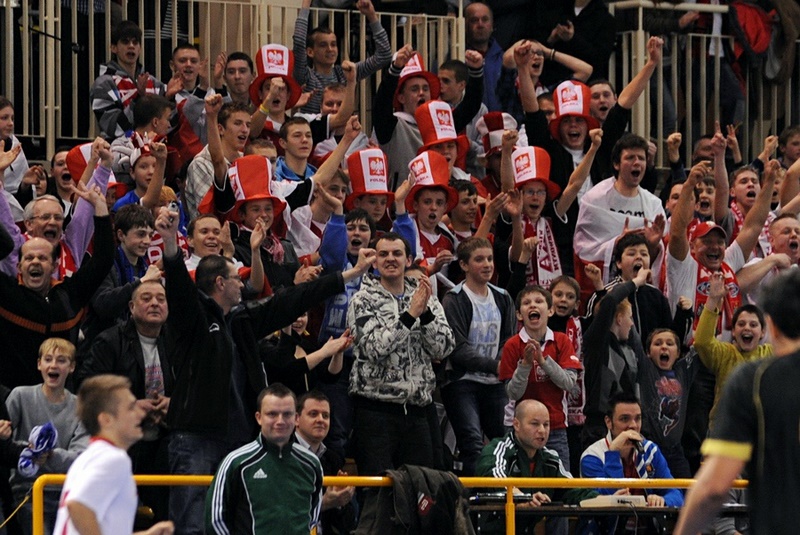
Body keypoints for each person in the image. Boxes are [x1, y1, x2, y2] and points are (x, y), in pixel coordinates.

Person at [156, 204, 373, 535]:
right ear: (218, 283)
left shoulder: (241, 321)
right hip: (195, 436)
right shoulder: (192, 321)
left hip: (239, 437)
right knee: (192, 523)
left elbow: (291, 301)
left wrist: (346, 276)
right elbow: (179, 289)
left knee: (241, 520)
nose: (243, 286)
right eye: (236, 279)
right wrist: (170, 243)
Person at [674, 268, 800, 535]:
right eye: (741, 324)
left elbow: (714, 486)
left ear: (770, 326)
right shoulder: (730, 358)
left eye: (754, 324)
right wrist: (713, 303)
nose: (747, 329)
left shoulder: (753, 380)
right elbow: (704, 341)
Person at [348, 232, 455, 474]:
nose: (390, 259)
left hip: (417, 410)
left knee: (420, 494)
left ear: (409, 260)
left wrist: (424, 313)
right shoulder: (362, 300)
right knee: (377, 494)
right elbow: (373, 349)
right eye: (383, 254)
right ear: (374, 262)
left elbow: (444, 348)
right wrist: (409, 316)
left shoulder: (425, 297)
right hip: (375, 409)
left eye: (397, 253)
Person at [0, 181, 113, 389]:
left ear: (53, 265)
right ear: (19, 266)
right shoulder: (6, 295)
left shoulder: (69, 295)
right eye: (29, 258)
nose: (35, 262)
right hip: (12, 402)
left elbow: (103, 260)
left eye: (42, 258)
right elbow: (4, 242)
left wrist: (100, 208)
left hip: (63, 396)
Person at [78, 279, 174, 521]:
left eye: (161, 299)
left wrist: (174, 402)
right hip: (121, 444)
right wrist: (130, 407)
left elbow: (193, 385)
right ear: (131, 307)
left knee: (163, 516)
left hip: (165, 441)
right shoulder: (109, 341)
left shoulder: (176, 342)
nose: (154, 303)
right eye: (146, 298)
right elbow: (87, 388)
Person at [52, 375, 174, 535]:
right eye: (131, 407)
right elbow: (77, 506)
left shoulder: (89, 457)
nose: (140, 413)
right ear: (106, 420)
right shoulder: (113, 459)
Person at [205, 384, 323, 535]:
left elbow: (311, 517)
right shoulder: (236, 462)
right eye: (272, 414)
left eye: (287, 414)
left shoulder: (312, 463)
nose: (280, 421)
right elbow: (215, 520)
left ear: (296, 418)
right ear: (259, 418)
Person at [441, 237, 515, 475]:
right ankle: (474, 503)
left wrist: (501, 365)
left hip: (494, 383)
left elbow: (508, 340)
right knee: (472, 443)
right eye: (479, 259)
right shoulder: (454, 298)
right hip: (462, 382)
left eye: (490, 259)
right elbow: (458, 348)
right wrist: (497, 366)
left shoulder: (503, 297)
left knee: (504, 442)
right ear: (463, 265)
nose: (487, 264)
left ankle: (503, 497)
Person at [476, 399, 597, 534]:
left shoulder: (550, 458)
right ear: (516, 424)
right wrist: (523, 498)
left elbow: (572, 489)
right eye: (534, 424)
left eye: (546, 424)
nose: (542, 430)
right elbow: (494, 478)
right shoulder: (498, 449)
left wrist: (606, 499)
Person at [7, 338, 89, 535]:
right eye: (48, 359)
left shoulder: (81, 407)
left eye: (61, 360)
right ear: (39, 364)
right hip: (28, 490)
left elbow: (81, 456)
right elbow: (6, 444)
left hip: (68, 492)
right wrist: (30, 452)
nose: (53, 365)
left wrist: (48, 455)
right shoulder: (20, 396)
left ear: (72, 367)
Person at [580, 392, 683, 507]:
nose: (633, 425)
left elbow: (676, 494)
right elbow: (608, 501)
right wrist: (613, 453)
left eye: (638, 419)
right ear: (608, 422)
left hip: (645, 523)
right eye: (625, 419)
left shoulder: (650, 450)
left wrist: (663, 500)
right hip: (609, 524)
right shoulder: (592, 457)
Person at [292, 0, 391, 115]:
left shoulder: (344, 74)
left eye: (333, 44)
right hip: (314, 132)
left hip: (342, 132)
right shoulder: (305, 76)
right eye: (323, 45)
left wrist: (371, 15)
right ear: (310, 52)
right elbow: (299, 42)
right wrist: (305, 5)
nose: (330, 49)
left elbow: (384, 55)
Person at [293, 391, 357, 534]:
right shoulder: (282, 454)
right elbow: (280, 512)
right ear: (296, 419)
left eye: (325, 416)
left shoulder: (331, 459)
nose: (320, 420)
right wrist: (323, 503)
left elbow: (348, 525)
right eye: (313, 414)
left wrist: (341, 502)